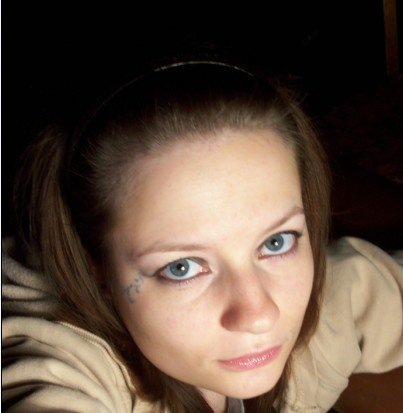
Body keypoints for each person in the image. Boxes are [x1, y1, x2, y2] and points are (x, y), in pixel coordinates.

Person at [2, 61, 403, 413]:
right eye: (181, 267)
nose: (259, 315)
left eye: (276, 242)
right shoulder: (64, 367)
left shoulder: (335, 298)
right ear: (97, 268)